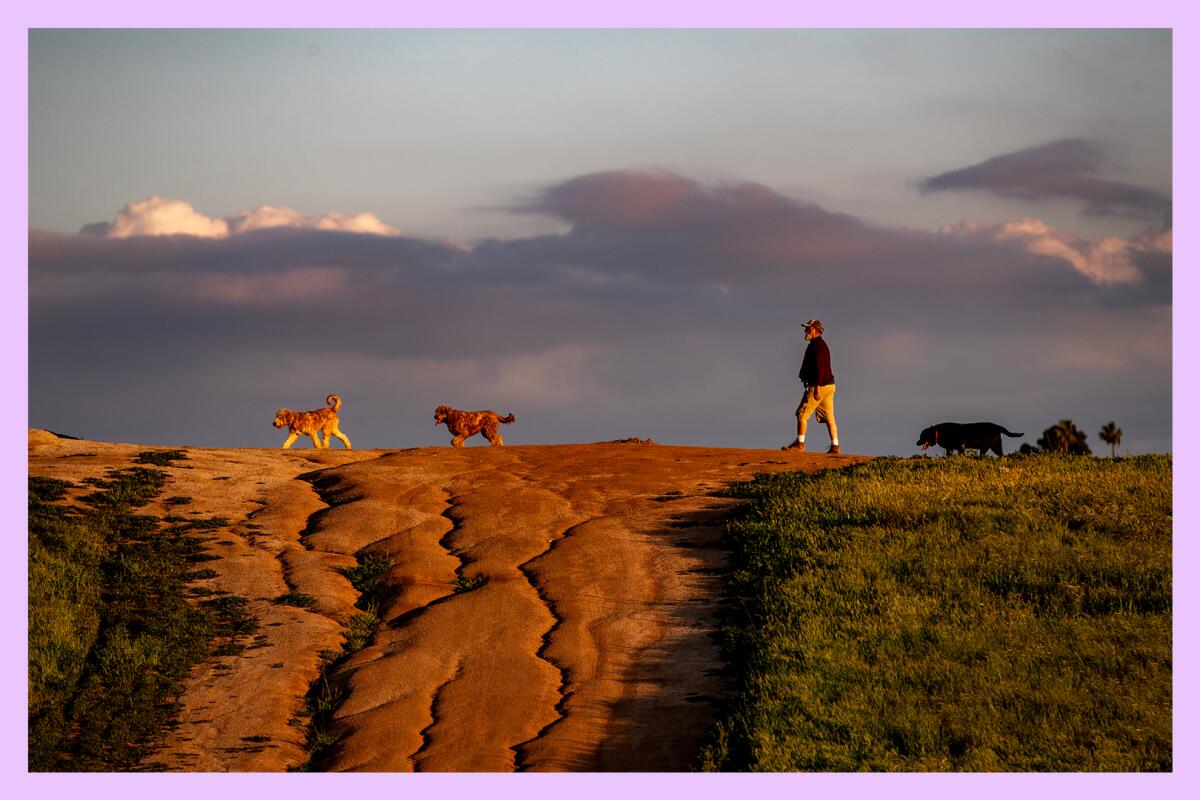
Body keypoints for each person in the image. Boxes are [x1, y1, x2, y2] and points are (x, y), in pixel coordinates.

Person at [782, 319, 840, 454]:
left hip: (819, 385)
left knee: (801, 414)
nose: (805, 331)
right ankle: (835, 446)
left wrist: (817, 386)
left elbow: (820, 367)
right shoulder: (822, 345)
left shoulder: (816, 346)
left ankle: (800, 444)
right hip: (830, 385)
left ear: (815, 330)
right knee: (829, 417)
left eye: (808, 328)